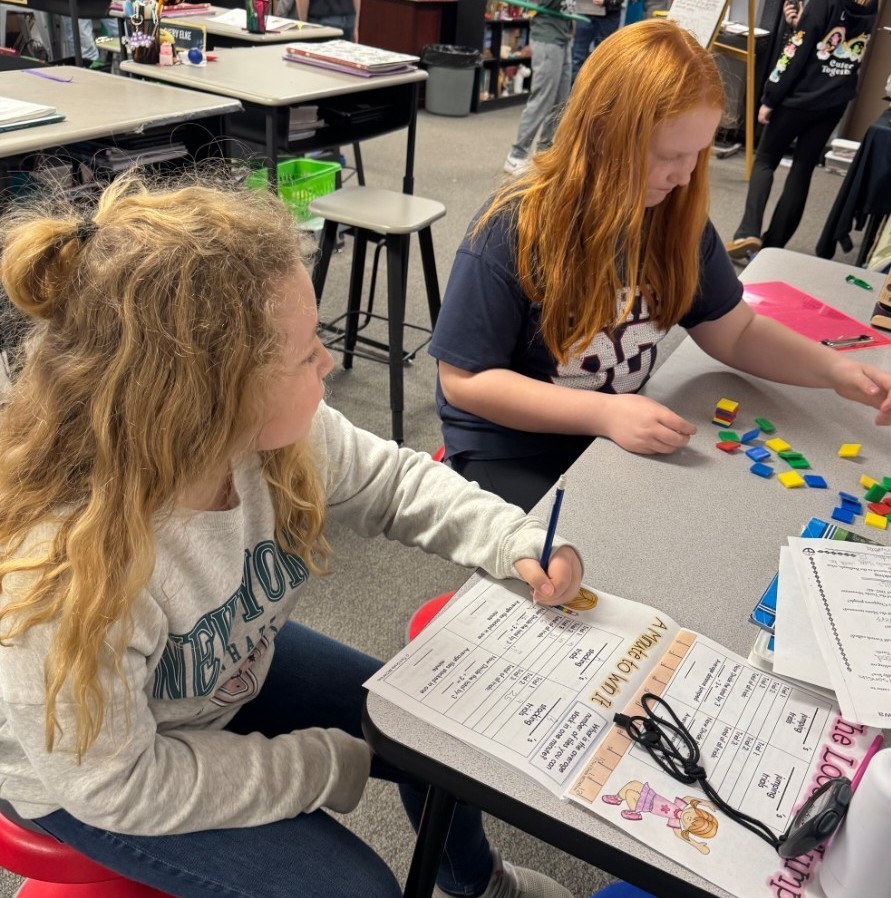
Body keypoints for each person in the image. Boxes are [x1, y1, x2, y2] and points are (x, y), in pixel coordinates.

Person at [0, 172, 584, 898]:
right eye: (306, 352)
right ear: (208, 394)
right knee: (358, 890)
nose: (328, 363)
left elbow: (396, 483)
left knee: (437, 737)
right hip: (94, 775)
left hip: (211, 671)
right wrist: (317, 763)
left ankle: (476, 883)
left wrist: (514, 540)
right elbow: (119, 786)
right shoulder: (65, 573)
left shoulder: (272, 442)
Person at [429, 20, 891, 513]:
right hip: (513, 444)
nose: (686, 175)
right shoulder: (511, 228)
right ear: (602, 134)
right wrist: (603, 413)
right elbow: (465, 381)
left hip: (610, 427)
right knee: (588, 559)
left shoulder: (672, 215)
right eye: (671, 155)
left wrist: (837, 371)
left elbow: (734, 332)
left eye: (698, 154)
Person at [724, 0, 877, 263]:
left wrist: (770, 97)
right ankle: (773, 247)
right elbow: (834, 39)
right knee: (802, 170)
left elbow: (795, 52)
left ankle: (748, 232)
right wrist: (800, 23)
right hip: (834, 98)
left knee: (765, 161)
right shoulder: (869, 3)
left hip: (798, 98)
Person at [503, 0, 574, 176]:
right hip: (547, 37)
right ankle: (516, 155)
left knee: (561, 100)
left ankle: (544, 153)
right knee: (543, 98)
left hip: (564, 36)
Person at [570, 0, 622, 84]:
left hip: (609, 15)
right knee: (577, 57)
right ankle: (575, 92)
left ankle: (597, 93)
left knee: (603, 60)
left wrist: (607, 2)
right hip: (584, 11)